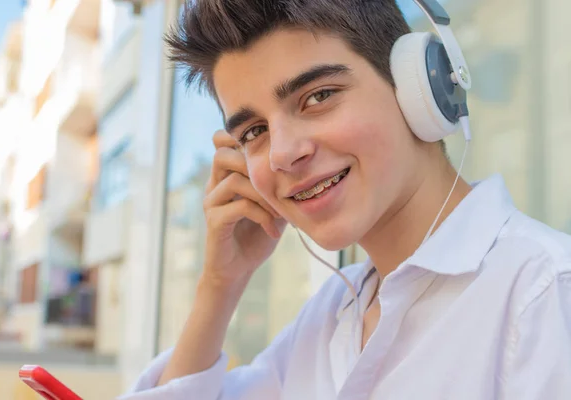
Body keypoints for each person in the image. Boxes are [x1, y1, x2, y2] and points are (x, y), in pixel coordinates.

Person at [119, 0, 571, 399]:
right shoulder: (330, 318)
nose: (282, 154)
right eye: (254, 132)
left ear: (419, 86)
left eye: (317, 96)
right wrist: (220, 284)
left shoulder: (545, 293)